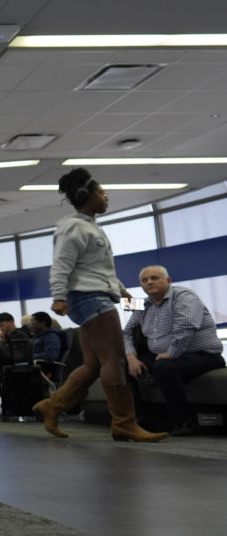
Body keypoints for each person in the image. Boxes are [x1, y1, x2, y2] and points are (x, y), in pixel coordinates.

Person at [32, 168, 166, 442]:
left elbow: (99, 269)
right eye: (102, 193)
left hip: (96, 294)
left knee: (94, 364)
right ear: (87, 196)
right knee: (114, 359)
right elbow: (61, 265)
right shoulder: (74, 227)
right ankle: (124, 422)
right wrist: (58, 296)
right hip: (89, 297)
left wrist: (122, 291)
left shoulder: (91, 226)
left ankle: (52, 406)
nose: (106, 197)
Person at [123, 265, 225, 436]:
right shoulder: (141, 304)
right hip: (163, 357)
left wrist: (171, 353)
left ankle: (182, 421)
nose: (149, 282)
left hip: (203, 355)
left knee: (164, 367)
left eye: (154, 278)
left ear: (168, 281)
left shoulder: (184, 296)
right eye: (145, 280)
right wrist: (132, 358)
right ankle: (145, 419)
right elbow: (127, 332)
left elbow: (185, 326)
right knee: (123, 366)